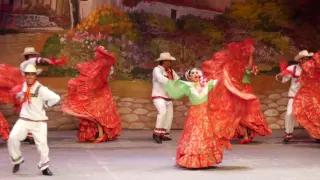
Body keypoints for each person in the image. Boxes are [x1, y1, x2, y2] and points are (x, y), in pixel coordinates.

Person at [203, 38, 272, 144]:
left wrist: (250, 55)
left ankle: (245, 135)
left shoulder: (245, 67)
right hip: (238, 92)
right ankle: (244, 135)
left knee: (245, 115)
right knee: (239, 115)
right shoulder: (234, 66)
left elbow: (249, 67)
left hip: (244, 92)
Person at [165, 68, 225, 168]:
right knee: (195, 135)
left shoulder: (207, 84)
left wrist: (224, 72)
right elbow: (175, 89)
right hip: (195, 116)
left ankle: (206, 160)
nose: (195, 74)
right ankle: (192, 159)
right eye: (192, 73)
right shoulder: (188, 87)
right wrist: (167, 82)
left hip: (205, 115)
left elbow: (219, 81)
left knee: (206, 134)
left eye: (197, 72)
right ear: (189, 77)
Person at [7, 64, 60, 176]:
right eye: (27, 74)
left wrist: (46, 104)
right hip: (24, 119)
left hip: (38, 121)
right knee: (12, 138)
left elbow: (56, 98)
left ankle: (44, 167)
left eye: (32, 74)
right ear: (25, 76)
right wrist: (19, 96)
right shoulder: (24, 86)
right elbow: (20, 96)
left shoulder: (41, 89)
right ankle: (17, 159)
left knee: (42, 146)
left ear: (35, 76)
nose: (30, 76)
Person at [62, 46, 121, 143]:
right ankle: (97, 134)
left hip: (101, 92)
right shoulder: (99, 64)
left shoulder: (102, 64)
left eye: (97, 52)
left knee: (97, 114)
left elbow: (98, 78)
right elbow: (87, 73)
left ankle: (101, 134)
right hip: (96, 92)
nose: (95, 54)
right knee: (93, 114)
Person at [276, 50, 314, 143]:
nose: (307, 61)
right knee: (289, 113)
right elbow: (283, 79)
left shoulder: (312, 69)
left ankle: (316, 134)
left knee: (313, 114)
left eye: (308, 59)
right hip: (294, 96)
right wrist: (281, 75)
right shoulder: (293, 68)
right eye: (305, 59)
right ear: (300, 60)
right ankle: (288, 134)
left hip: (307, 97)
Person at [152, 52, 180, 144]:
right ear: (164, 61)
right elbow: (160, 79)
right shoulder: (157, 69)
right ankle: (156, 134)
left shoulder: (171, 71)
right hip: (159, 95)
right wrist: (171, 82)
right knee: (162, 112)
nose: (170, 63)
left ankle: (163, 134)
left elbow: (177, 79)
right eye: (169, 61)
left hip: (168, 96)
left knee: (169, 116)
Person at [292, 51, 320, 142]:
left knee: (315, 114)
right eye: (303, 59)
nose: (305, 61)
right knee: (306, 113)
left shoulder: (309, 66)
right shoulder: (296, 68)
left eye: (307, 59)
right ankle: (317, 135)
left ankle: (317, 134)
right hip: (308, 93)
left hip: (313, 93)